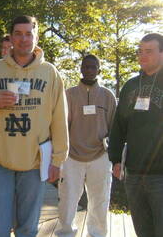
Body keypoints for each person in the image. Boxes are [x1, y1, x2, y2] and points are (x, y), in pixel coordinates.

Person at [0, 15, 69, 237]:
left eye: (28, 33)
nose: (24, 39)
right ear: (11, 37)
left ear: (36, 36)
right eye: (18, 33)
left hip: (35, 162)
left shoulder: (50, 73)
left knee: (28, 228)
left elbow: (60, 119)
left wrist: (58, 160)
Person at [109, 33, 163, 237]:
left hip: (161, 175)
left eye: (149, 51)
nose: (142, 55)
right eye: (140, 51)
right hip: (134, 174)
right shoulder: (130, 86)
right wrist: (115, 159)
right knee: (143, 231)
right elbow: (119, 125)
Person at [57, 55, 116, 237]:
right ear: (81, 69)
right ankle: (66, 232)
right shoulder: (69, 94)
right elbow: (61, 126)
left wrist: (114, 156)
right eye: (86, 66)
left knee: (100, 200)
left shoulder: (107, 96)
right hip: (71, 156)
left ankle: (97, 233)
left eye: (93, 67)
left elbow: (114, 127)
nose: (89, 70)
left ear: (99, 70)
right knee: (68, 200)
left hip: (100, 155)